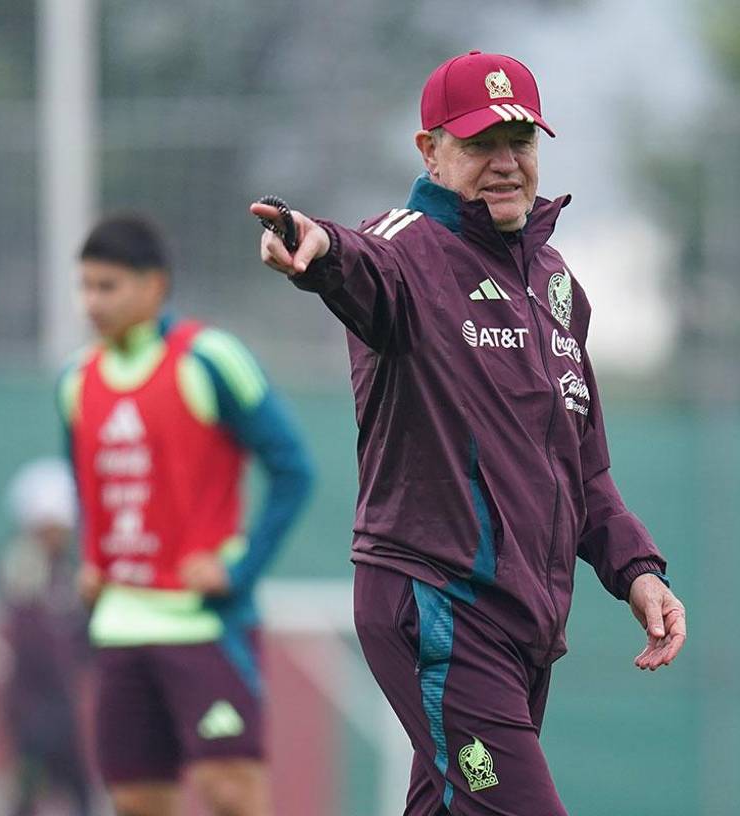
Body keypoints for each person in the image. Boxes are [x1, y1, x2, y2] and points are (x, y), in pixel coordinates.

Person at [251, 50, 686, 815]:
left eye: (520, 140)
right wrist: (315, 249)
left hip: (522, 627)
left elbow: (584, 472)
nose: (506, 162)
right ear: (431, 150)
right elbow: (361, 263)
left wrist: (638, 570)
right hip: (437, 604)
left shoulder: (554, 284)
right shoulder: (407, 248)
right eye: (481, 142)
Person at [58, 213, 313, 816]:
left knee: (232, 794)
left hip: (203, 625)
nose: (92, 302)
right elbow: (85, 483)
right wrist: (89, 559)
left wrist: (241, 568)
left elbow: (293, 469)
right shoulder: (76, 380)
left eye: (108, 286)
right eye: (86, 286)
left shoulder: (210, 358)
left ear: (154, 286)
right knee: (137, 800)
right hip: (119, 627)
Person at [0, 457, 94, 816]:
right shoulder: (22, 567)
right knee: (28, 792)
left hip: (64, 704)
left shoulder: (69, 571)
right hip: (31, 707)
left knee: (82, 793)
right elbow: (31, 639)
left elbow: (84, 637)